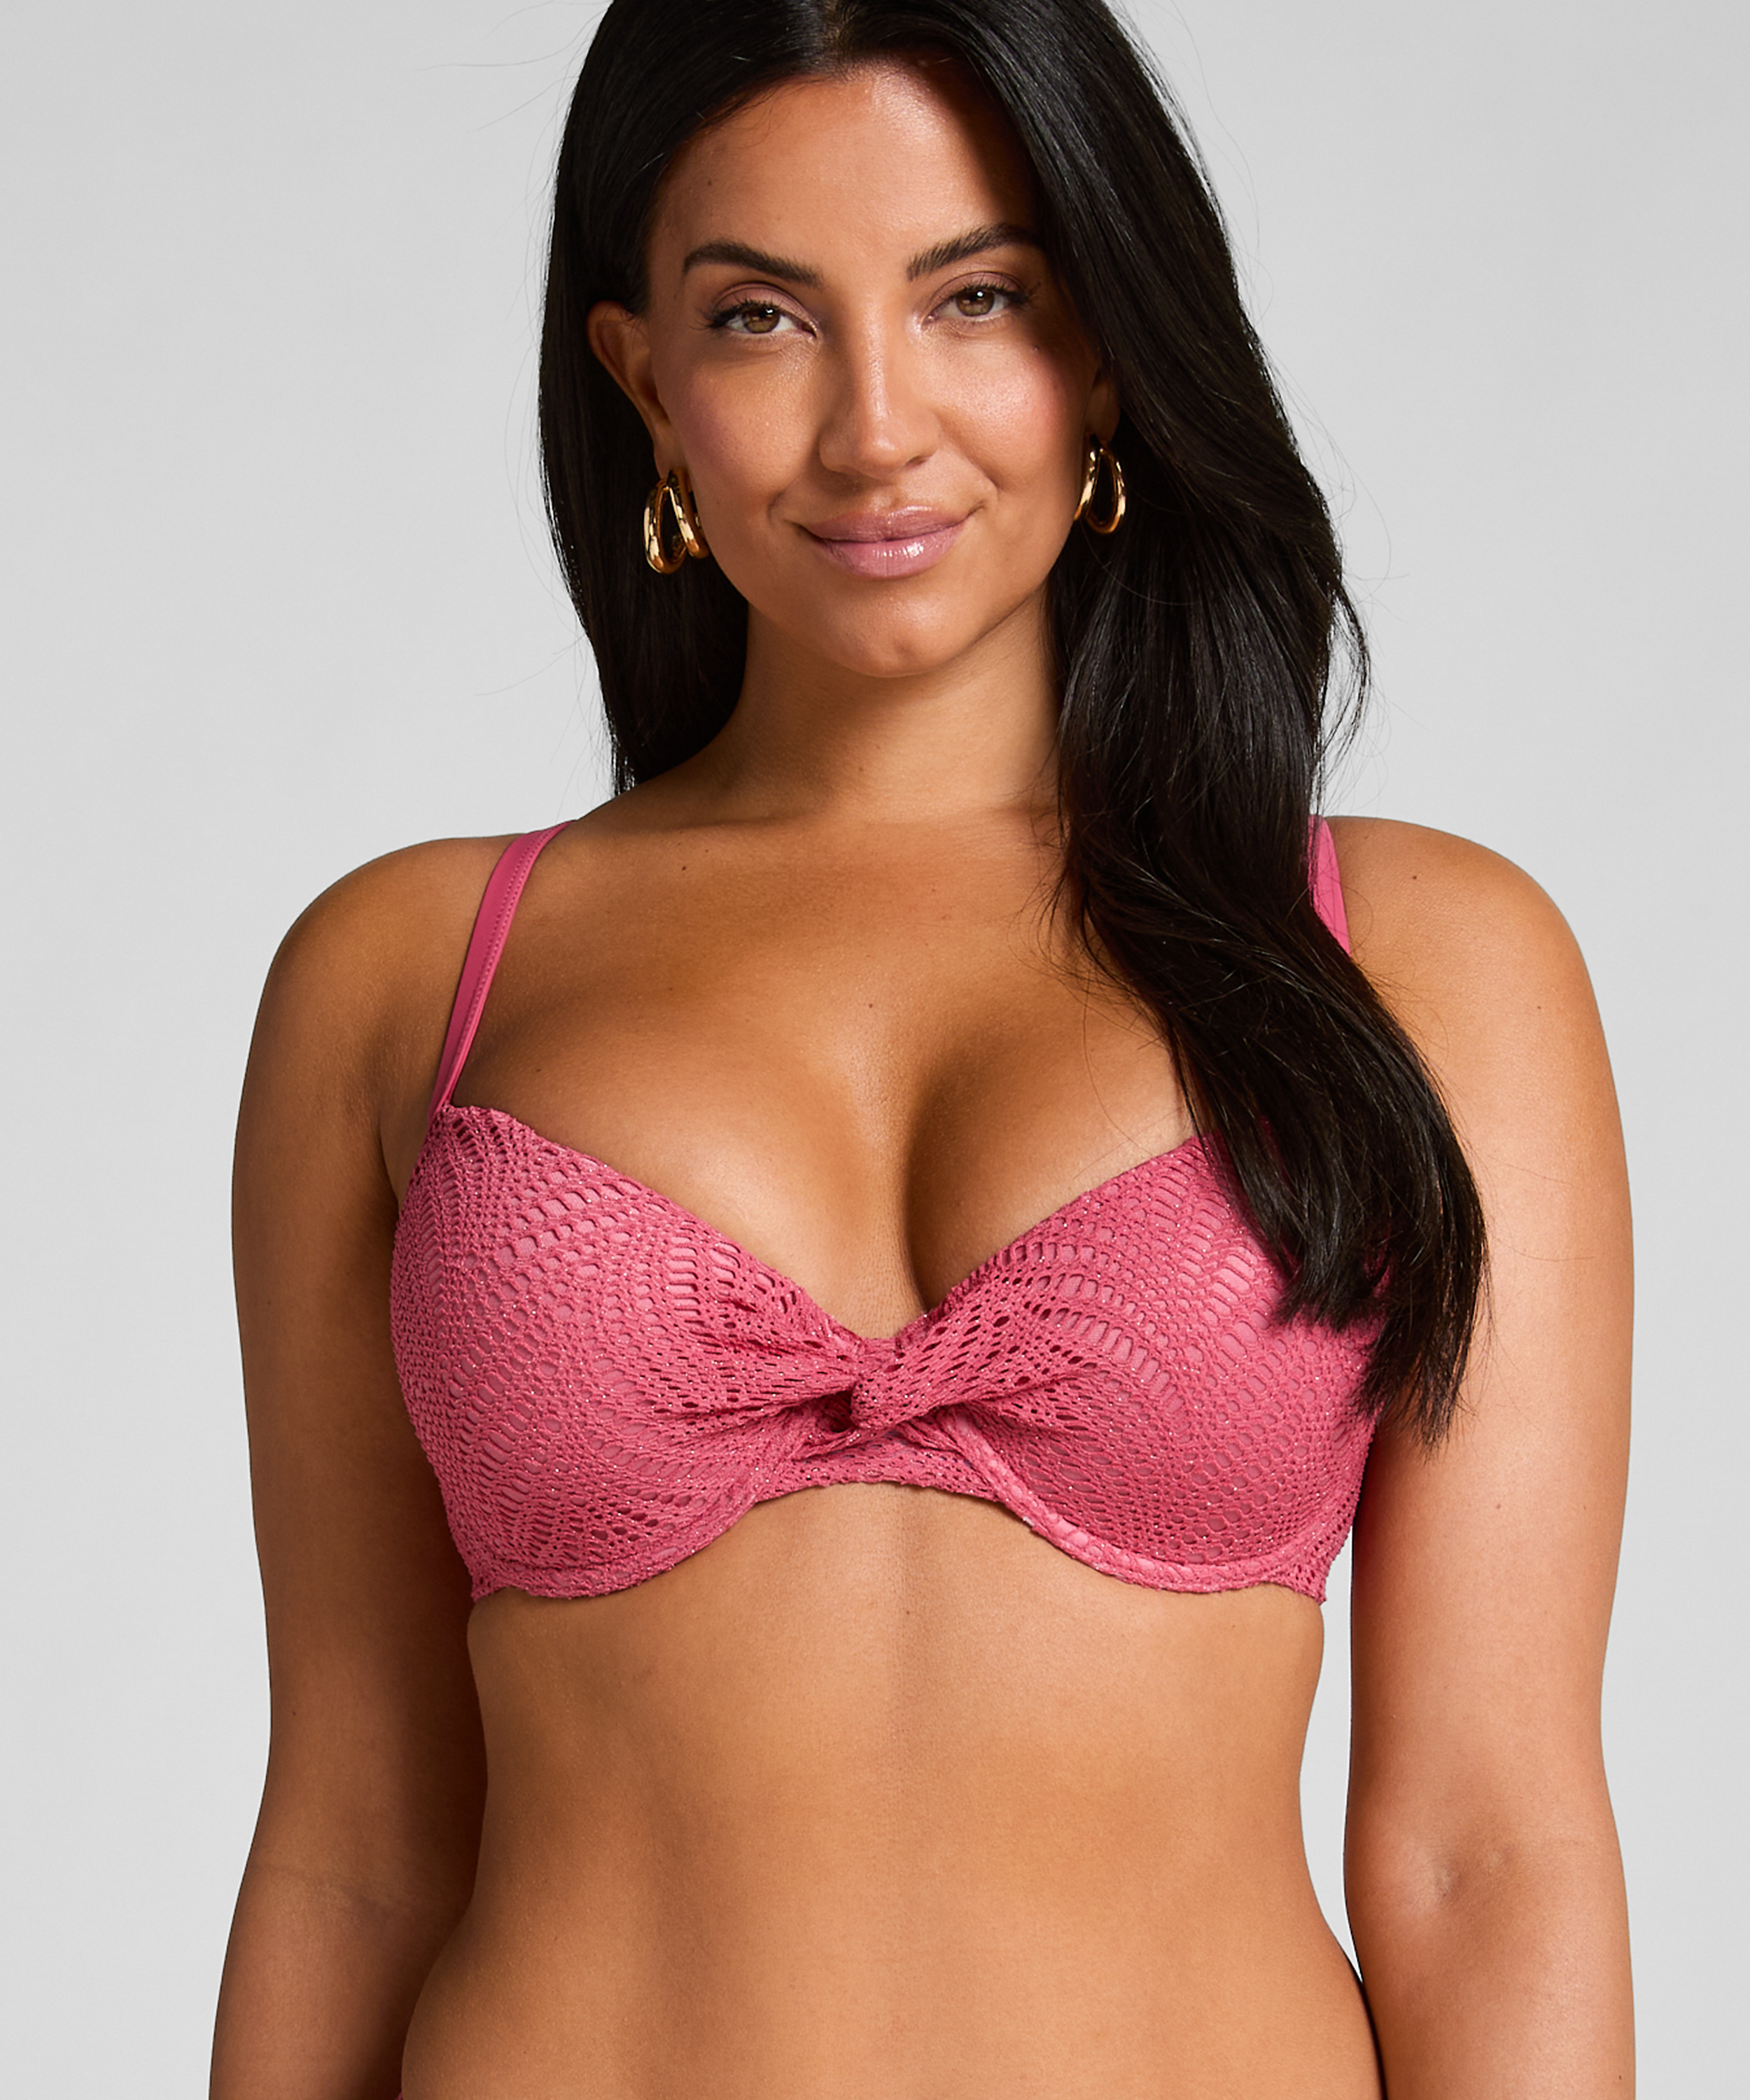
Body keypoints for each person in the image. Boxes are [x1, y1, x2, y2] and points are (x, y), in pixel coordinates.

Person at [211, 2, 1634, 2094]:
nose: (877, 429)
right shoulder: (405, 978)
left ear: (1108, 348)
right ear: (645, 382)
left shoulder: (1419, 962)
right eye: (764, 318)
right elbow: (352, 1855)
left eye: (977, 297)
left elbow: (1484, 1856)